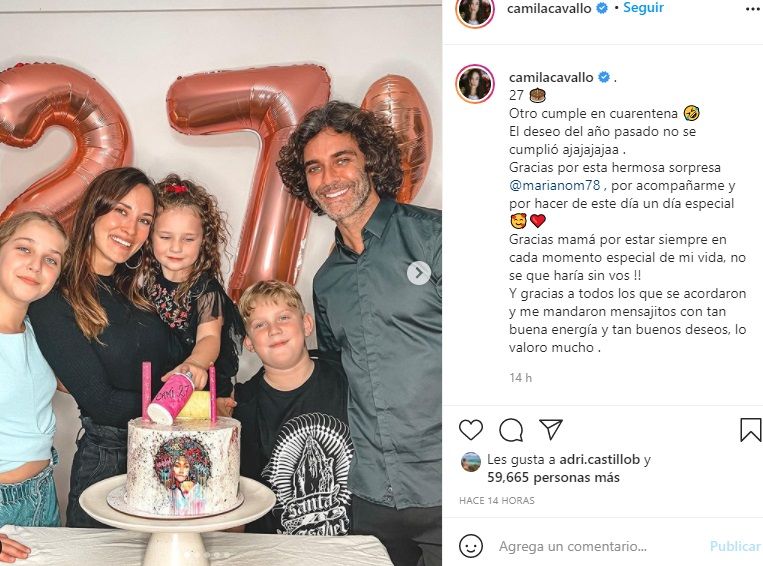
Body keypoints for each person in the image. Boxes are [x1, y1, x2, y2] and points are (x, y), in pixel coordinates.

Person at [277, 101, 442, 566]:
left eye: (342, 159)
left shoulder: (435, 238)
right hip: (370, 498)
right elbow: (338, 376)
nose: (328, 178)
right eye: (314, 167)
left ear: (370, 160)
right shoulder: (326, 281)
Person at [28, 167, 185, 528]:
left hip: (169, 453)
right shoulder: (55, 299)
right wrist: (187, 403)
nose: (131, 229)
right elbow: (103, 402)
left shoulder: (137, 292)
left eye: (144, 220)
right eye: (121, 211)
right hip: (109, 459)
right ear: (94, 210)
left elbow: (176, 361)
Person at [226, 280, 353, 535]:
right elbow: (239, 494)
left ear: (306, 324)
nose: (274, 330)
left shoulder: (347, 375)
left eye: (283, 317)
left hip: (352, 544)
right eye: (260, 325)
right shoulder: (243, 405)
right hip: (278, 547)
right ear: (248, 342)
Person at [0, 212, 67, 562]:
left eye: (51, 259)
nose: (36, 265)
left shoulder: (36, 332)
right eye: (24, 248)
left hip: (42, 494)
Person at [138, 175, 244, 395]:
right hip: (163, 387)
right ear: (150, 237)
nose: (176, 248)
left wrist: (195, 363)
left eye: (188, 239)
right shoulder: (147, 283)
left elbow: (209, 337)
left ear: (203, 240)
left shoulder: (206, 291)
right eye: (165, 237)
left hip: (200, 389)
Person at [153, 436, 210, 516]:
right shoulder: (169, 491)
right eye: (177, 465)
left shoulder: (197, 491)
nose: (181, 471)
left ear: (192, 468)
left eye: (186, 466)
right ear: (169, 467)